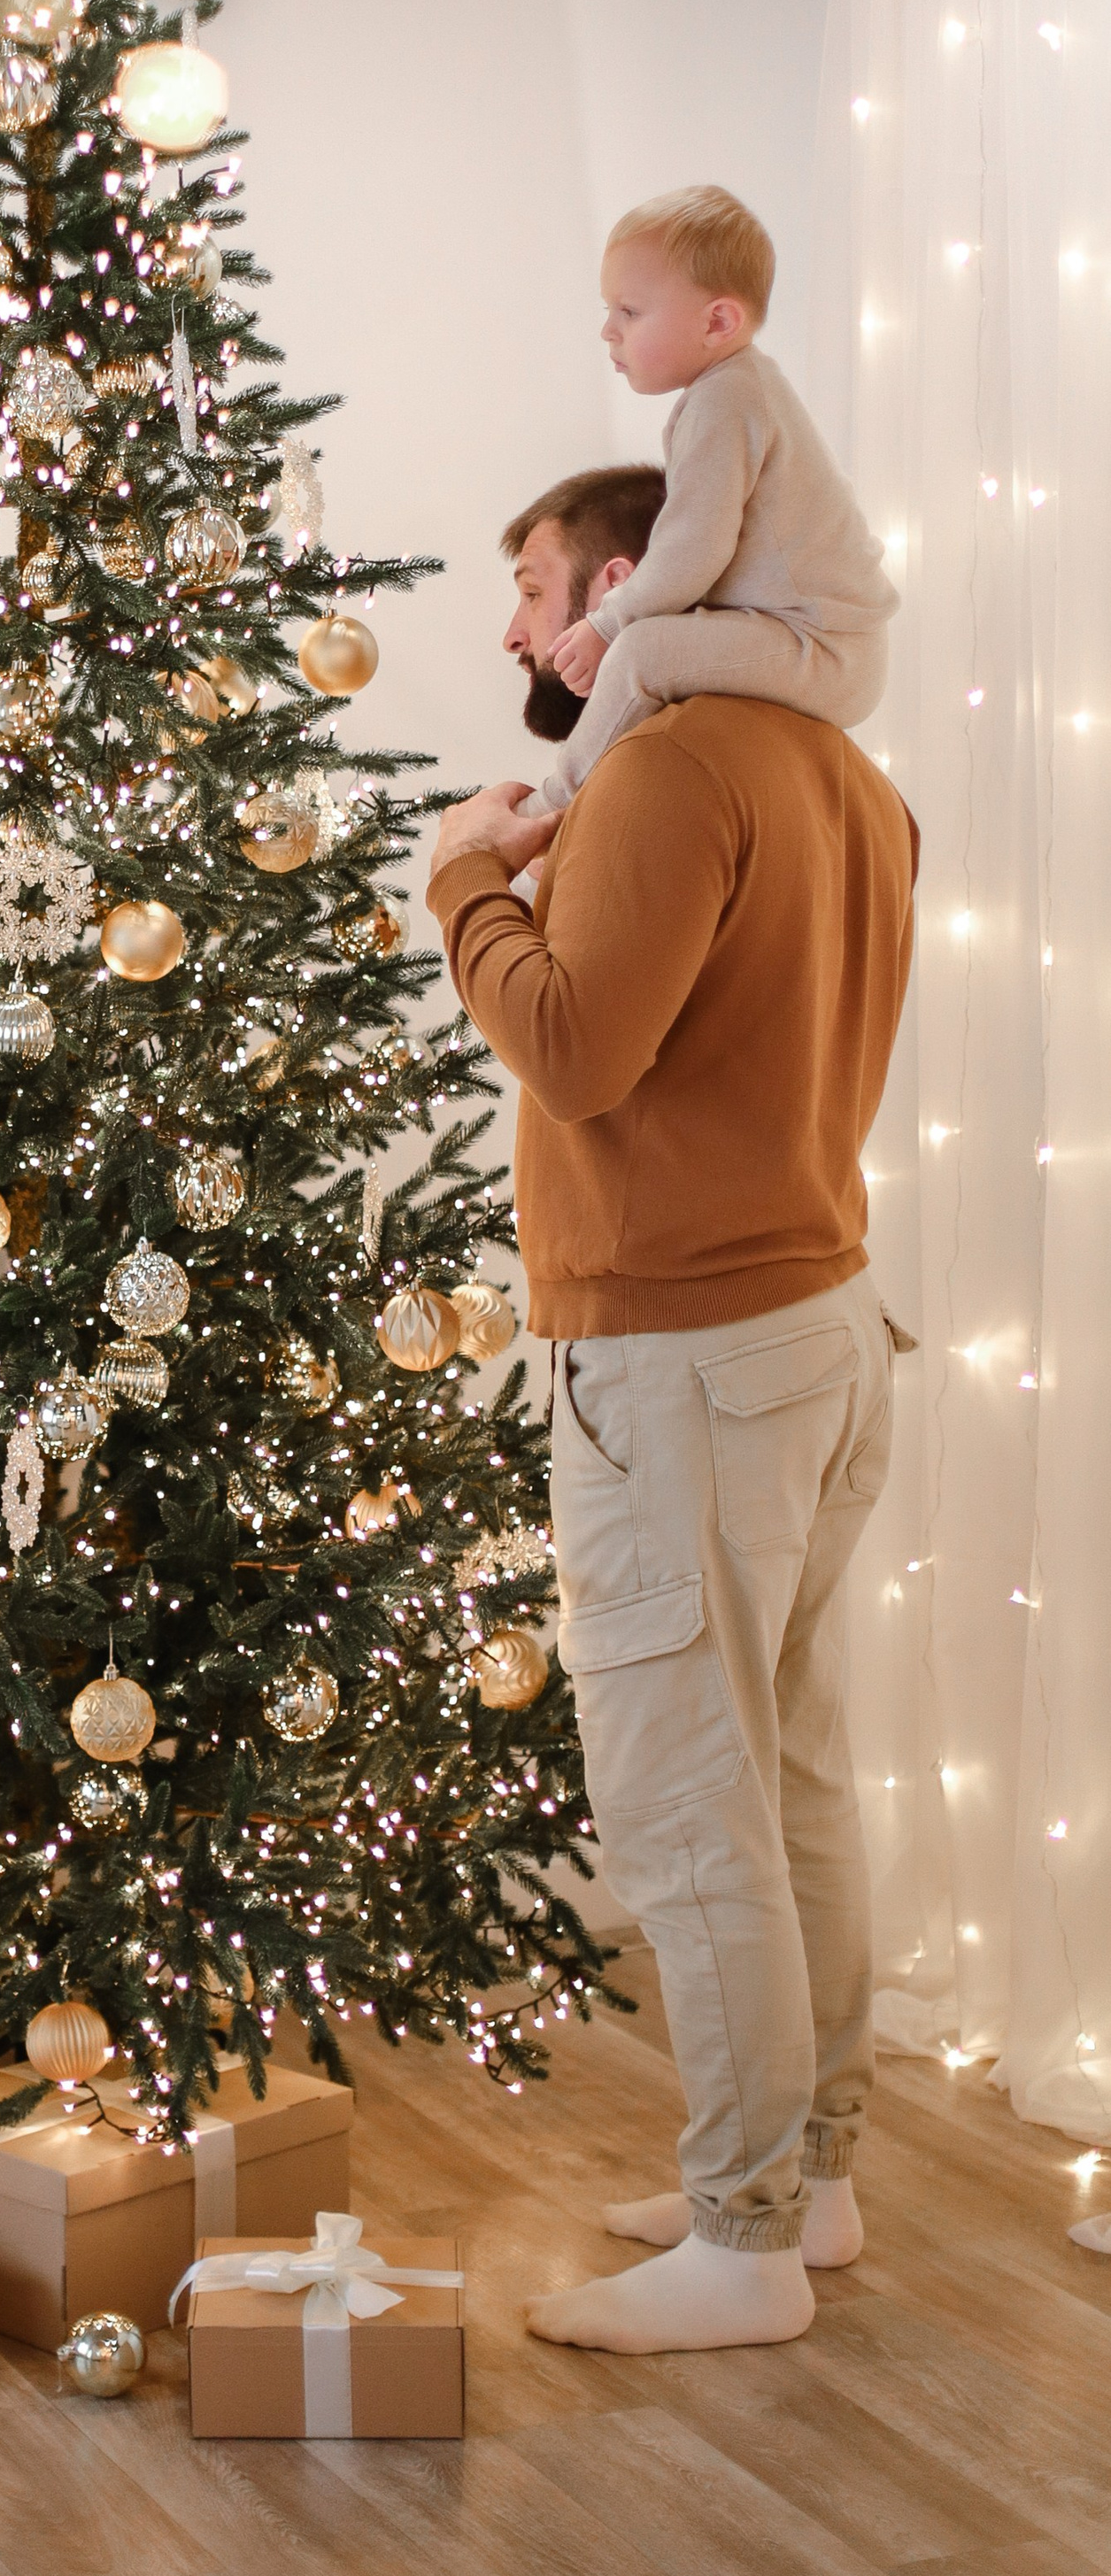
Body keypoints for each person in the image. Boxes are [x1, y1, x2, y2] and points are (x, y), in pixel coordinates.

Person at [428, 464, 917, 2355]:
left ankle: (738, 2238)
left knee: (688, 1804)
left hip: (686, 1353)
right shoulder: (838, 775)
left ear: (622, 581)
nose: (515, 630)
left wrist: (463, 878)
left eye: (534, 586)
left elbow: (567, 1048)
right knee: (789, 1775)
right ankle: (811, 2181)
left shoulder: (661, 771)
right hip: (819, 1324)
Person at [520, 186, 897, 819]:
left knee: (641, 654)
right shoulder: (731, 391)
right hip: (811, 639)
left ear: (718, 322)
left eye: (631, 311)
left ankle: (552, 813)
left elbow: (691, 550)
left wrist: (606, 625)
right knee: (656, 649)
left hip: (827, 647)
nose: (608, 330)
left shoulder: (727, 400)